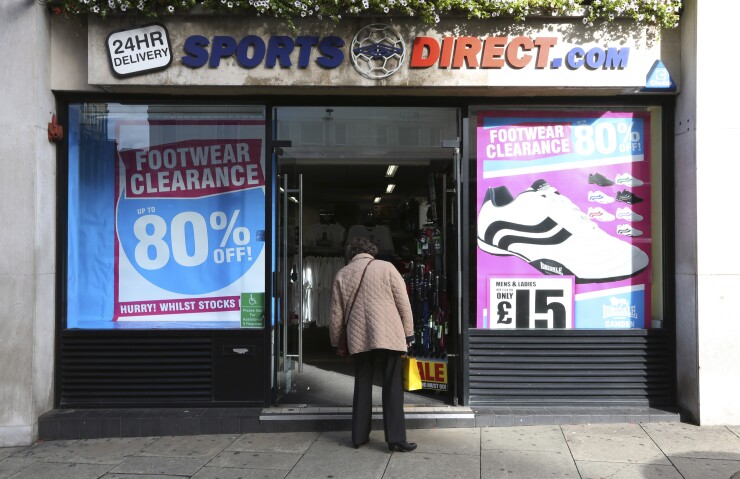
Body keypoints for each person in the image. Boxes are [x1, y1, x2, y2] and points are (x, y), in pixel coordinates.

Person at [329, 237, 417, 452]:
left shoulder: (342, 274)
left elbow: (335, 314)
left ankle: (358, 436)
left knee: (362, 384)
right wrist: (409, 333)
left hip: (359, 337)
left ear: (350, 254)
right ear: (371, 251)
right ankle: (396, 439)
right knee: (392, 386)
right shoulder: (387, 267)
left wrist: (335, 340)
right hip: (389, 333)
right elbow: (403, 302)